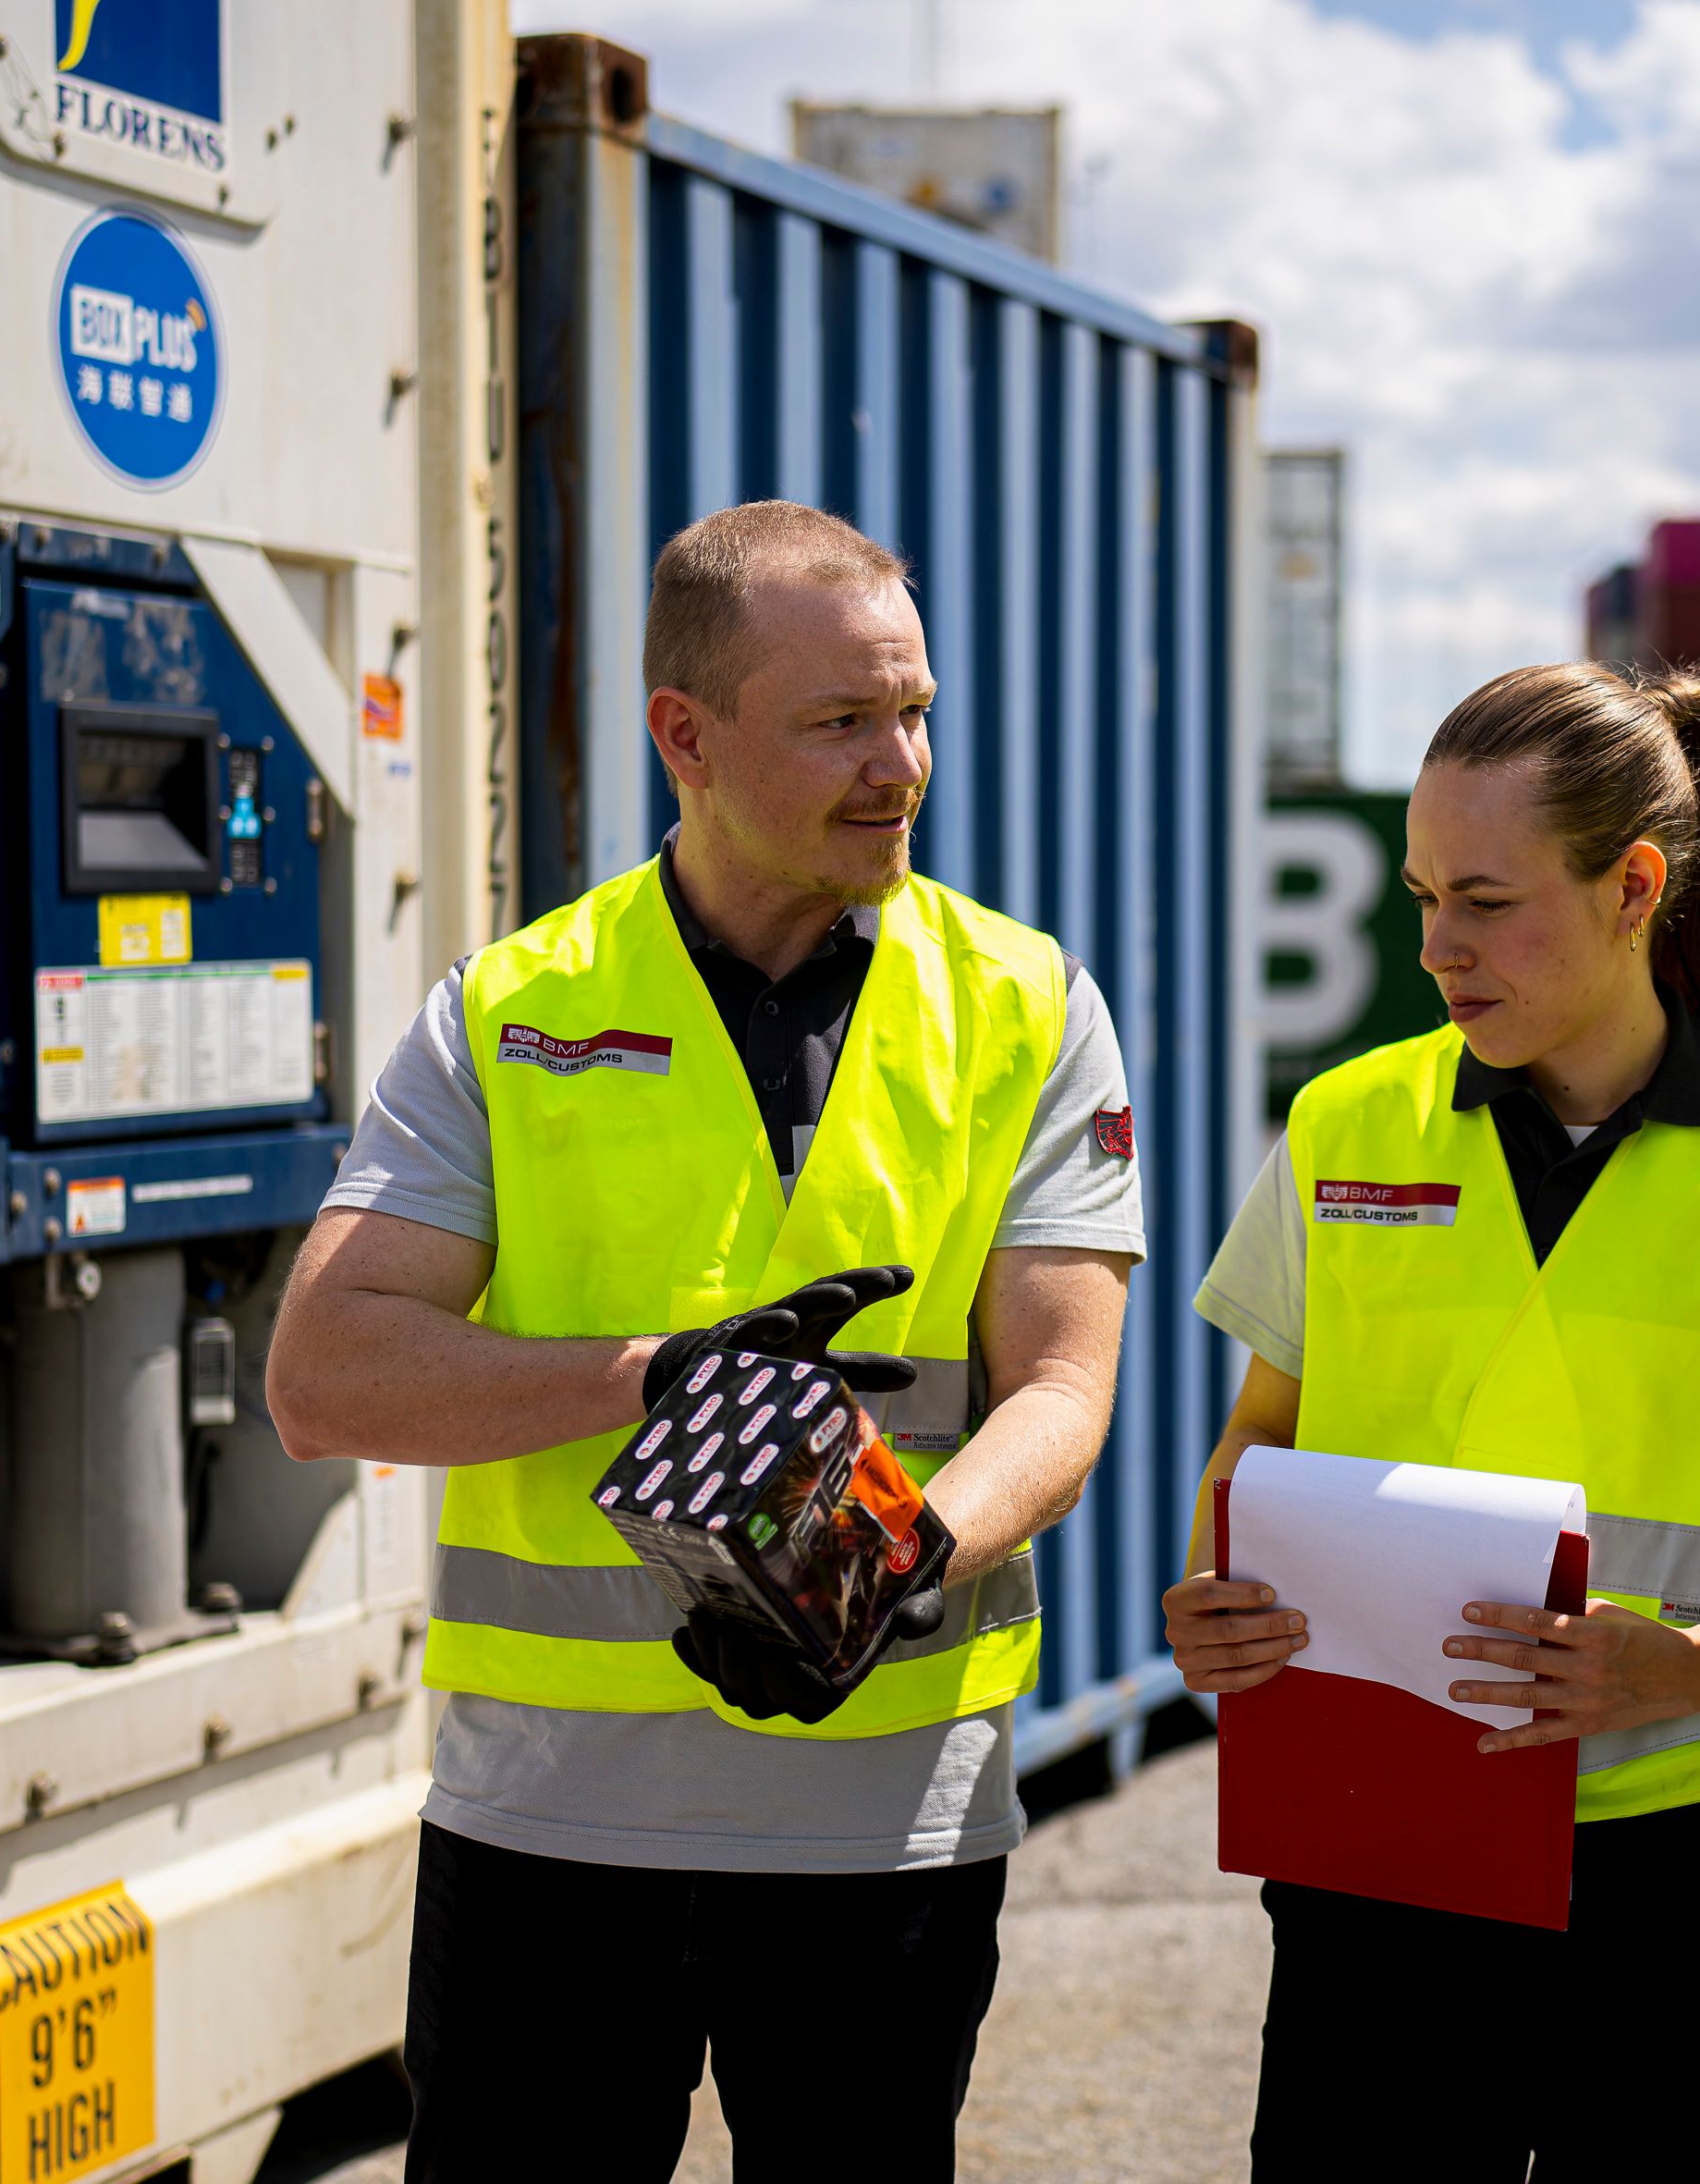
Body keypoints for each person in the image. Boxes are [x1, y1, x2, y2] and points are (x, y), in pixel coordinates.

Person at [264, 500, 1144, 2182]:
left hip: (890, 1822)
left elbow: (1064, 1384)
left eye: (916, 710)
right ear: (686, 734)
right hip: (549, 1827)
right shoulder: (513, 1010)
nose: (901, 763)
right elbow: (324, 1374)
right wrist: (658, 1377)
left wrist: (897, 1561)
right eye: (840, 721)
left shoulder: (1029, 1004)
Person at [1166, 662, 1700, 2183]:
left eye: (1485, 901)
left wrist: (1688, 1665)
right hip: (1380, 1845)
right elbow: (1264, 1441)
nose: (1436, 949)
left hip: (1695, 1871)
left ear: (1633, 888)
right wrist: (1213, 1594)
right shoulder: (1344, 1128)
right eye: (1423, 897)